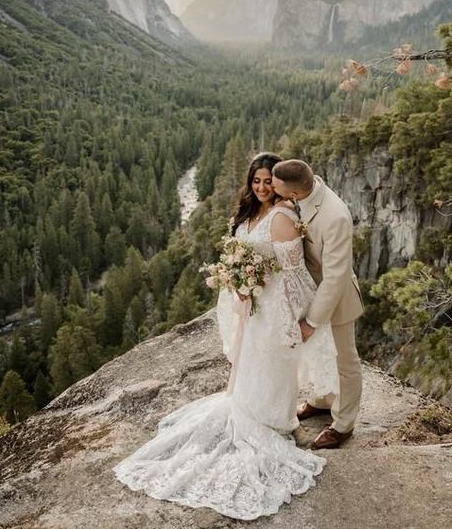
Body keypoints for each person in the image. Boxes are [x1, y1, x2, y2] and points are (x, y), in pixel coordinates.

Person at [112, 152, 339, 521]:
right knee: (248, 365)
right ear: (249, 183)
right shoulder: (248, 216)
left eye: (269, 181)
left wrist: (303, 319)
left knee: (270, 365)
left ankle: (273, 421)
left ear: (280, 184)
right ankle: (254, 415)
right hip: (251, 308)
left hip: (275, 311)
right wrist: (238, 282)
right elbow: (240, 255)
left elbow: (294, 276)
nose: (263, 187)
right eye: (256, 181)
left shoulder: (283, 217)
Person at [271, 158, 364, 450]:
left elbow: (336, 277)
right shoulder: (305, 194)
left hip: (336, 298)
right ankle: (323, 400)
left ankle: (343, 425)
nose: (273, 193)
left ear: (294, 194)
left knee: (345, 361)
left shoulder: (335, 216)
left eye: (277, 189)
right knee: (321, 355)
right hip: (309, 291)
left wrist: (312, 322)